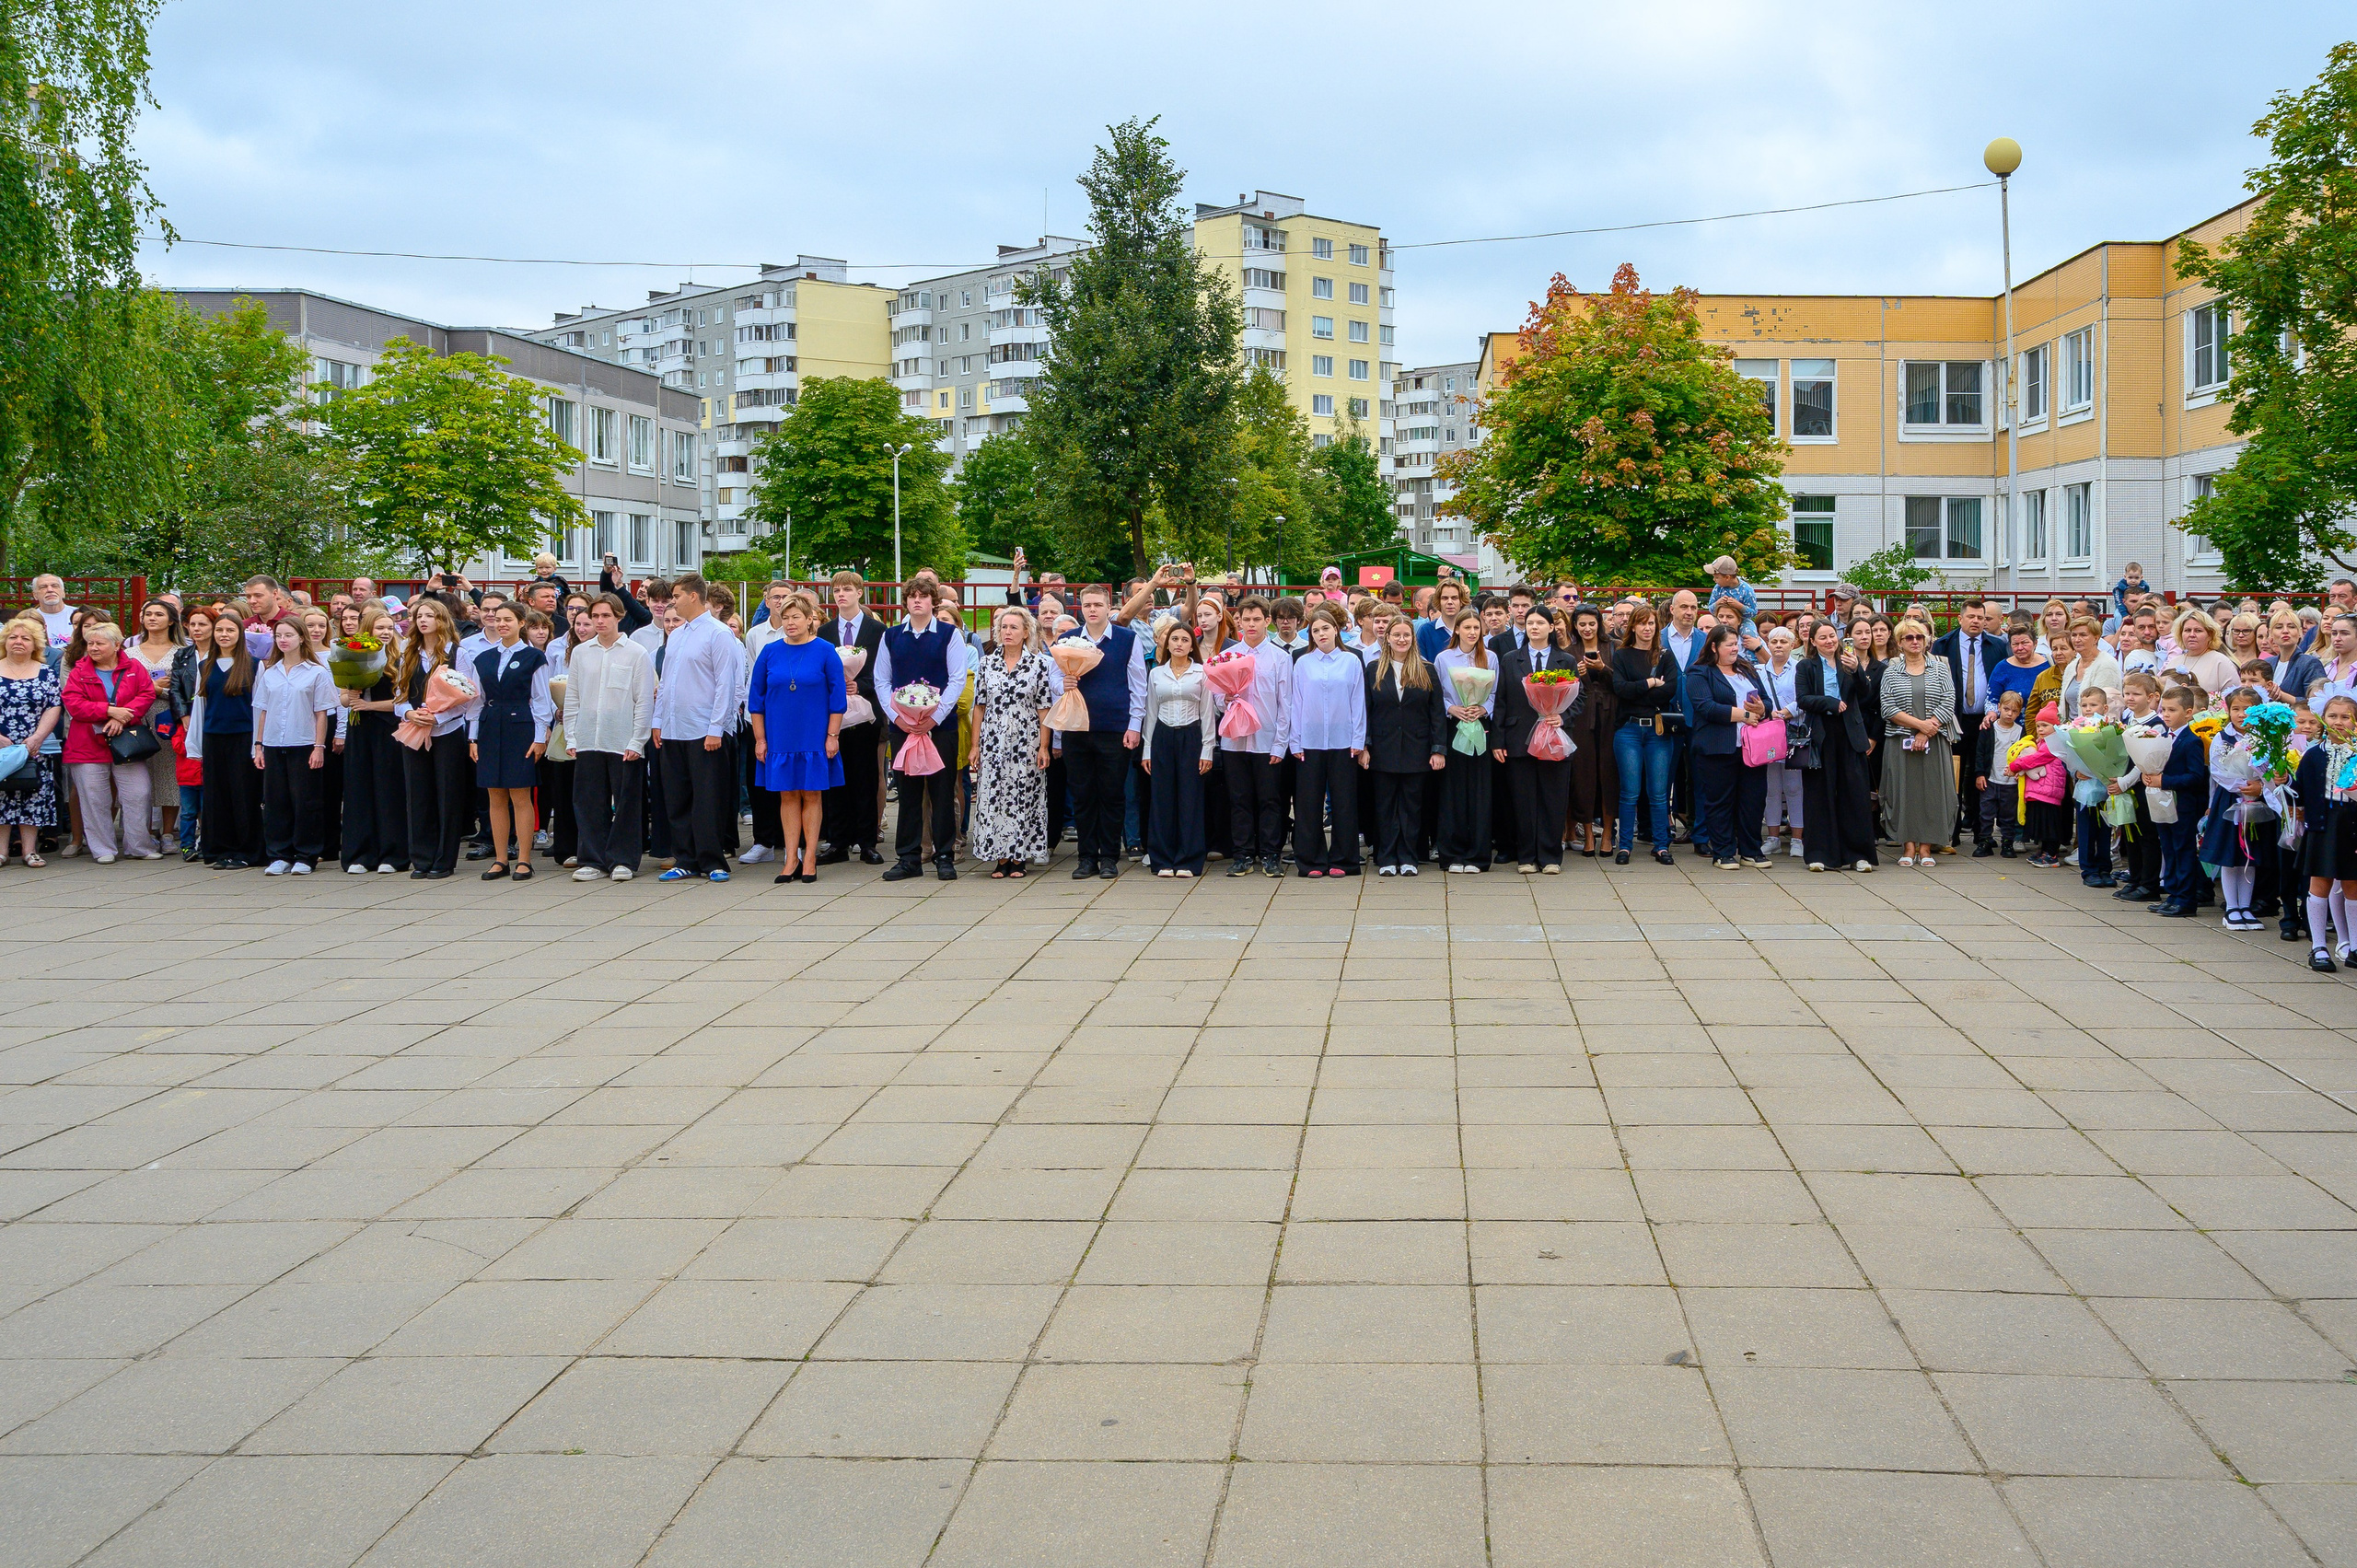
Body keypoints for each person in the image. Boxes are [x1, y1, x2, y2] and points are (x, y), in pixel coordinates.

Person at [874, 579, 970, 883]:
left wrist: (935, 717)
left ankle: (944, 856)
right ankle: (909, 857)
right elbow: (881, 681)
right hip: (904, 727)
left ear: (933, 602)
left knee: (942, 791)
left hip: (940, 727)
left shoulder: (948, 635)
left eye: (924, 596)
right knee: (908, 791)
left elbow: (956, 680)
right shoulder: (891, 637)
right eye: (912, 596)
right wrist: (897, 717)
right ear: (906, 602)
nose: (918, 601)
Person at [747, 590, 844, 886]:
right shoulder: (769, 652)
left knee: (812, 794)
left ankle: (810, 856)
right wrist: (760, 739)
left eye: (796, 617)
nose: (790, 622)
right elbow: (756, 700)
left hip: (815, 735)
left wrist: (832, 735)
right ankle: (791, 858)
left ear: (809, 620)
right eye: (785, 617)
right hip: (779, 737)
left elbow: (837, 698)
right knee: (787, 794)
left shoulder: (826, 650)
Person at [650, 575, 739, 884]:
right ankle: (685, 858)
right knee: (677, 798)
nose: (672, 602)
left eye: (676, 596)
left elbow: (726, 685)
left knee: (708, 798)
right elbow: (667, 683)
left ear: (693, 596)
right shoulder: (676, 635)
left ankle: (712, 860)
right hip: (675, 728)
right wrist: (658, 721)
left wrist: (717, 728)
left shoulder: (718, 634)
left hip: (704, 730)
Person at [563, 594, 655, 882]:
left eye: (606, 616)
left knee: (627, 800)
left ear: (618, 616)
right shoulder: (581, 653)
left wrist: (637, 740)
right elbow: (573, 696)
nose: (600, 622)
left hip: (622, 737)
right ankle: (592, 858)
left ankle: (623, 859)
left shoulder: (636, 652)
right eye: (595, 616)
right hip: (589, 736)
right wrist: (571, 736)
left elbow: (643, 700)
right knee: (588, 800)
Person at [1061, 583, 1146, 881]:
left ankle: (1109, 857)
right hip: (1077, 728)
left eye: (1098, 605)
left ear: (1108, 606)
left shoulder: (1126, 639)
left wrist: (1134, 726)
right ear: (1081, 608)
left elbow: (1138, 685)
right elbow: (1052, 685)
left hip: (1114, 729)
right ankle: (1086, 858)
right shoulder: (1067, 640)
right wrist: (1064, 684)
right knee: (1083, 795)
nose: (1093, 610)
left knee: (1112, 795)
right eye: (1087, 606)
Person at [59, 619, 159, 865]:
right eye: (90, 643)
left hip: (126, 741)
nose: (93, 648)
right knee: (94, 798)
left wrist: (123, 717)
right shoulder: (79, 671)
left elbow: (146, 693)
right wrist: (109, 711)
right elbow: (73, 704)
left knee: (138, 793)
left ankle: (139, 846)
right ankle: (102, 848)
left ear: (116, 645)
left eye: (99, 643)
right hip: (86, 744)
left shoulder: (134, 667)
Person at [392, 596, 477, 880]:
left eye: (430, 615)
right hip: (415, 731)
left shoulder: (458, 653)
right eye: (419, 616)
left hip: (447, 732)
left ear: (442, 620)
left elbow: (468, 697)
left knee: (447, 795)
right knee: (418, 795)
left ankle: (444, 859)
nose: (424, 620)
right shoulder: (409, 653)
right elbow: (399, 696)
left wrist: (438, 717)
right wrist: (409, 714)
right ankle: (422, 858)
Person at [467, 602, 552, 883]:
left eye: (508, 619)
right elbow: (477, 701)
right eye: (497, 619)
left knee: (520, 794)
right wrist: (473, 736)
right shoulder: (483, 658)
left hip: (521, 726)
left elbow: (541, 699)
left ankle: (525, 859)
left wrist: (540, 737)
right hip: (492, 725)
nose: (501, 623)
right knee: (495, 795)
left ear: (521, 623)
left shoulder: (533, 657)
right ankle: (500, 859)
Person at [1496, 604, 1583, 873]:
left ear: (1551, 627)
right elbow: (1501, 700)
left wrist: (1563, 717)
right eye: (1530, 623)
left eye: (1540, 623)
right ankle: (1526, 856)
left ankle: (1550, 857)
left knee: (1553, 797)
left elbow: (1580, 697)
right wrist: (1498, 740)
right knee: (1523, 799)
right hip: (1519, 737)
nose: (1534, 627)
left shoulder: (1565, 660)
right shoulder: (1511, 658)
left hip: (1554, 738)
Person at [970, 605, 1054, 879]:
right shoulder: (987, 663)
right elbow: (979, 706)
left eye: (1014, 627)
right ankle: (1000, 856)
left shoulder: (1038, 663)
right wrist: (975, 746)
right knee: (995, 797)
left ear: (1026, 632)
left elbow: (1044, 707)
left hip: (1026, 740)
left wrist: (1044, 746)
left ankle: (1018, 857)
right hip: (993, 740)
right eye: (1004, 627)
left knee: (1023, 795)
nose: (1007, 632)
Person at [250, 618, 336, 875]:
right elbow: (263, 710)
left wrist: (319, 746)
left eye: (289, 635)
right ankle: (279, 853)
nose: (283, 640)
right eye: (279, 636)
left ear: (301, 638)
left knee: (306, 801)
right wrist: (259, 745)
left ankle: (306, 854)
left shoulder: (316, 671)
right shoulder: (270, 672)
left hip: (304, 742)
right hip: (275, 743)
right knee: (276, 801)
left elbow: (322, 712)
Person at [1362, 616, 1447, 876]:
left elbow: (1436, 713)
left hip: (1417, 749)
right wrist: (1364, 747)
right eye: (1396, 635)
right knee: (1384, 805)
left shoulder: (1426, 669)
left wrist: (1438, 749)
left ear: (1413, 639)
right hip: (1383, 749)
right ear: (1387, 638)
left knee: (1412, 806)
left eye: (1406, 635)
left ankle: (1409, 856)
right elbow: (1365, 710)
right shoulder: (1374, 669)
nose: (1401, 639)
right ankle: (1386, 857)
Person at [1684, 624, 1773, 871]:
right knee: (1720, 802)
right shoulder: (1699, 672)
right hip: (1717, 748)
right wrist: (1744, 714)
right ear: (1714, 647)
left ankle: (1751, 851)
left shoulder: (1746, 668)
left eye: (1736, 644)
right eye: (1729, 644)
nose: (1735, 649)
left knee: (1753, 801)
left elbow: (1766, 700)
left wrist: (1761, 709)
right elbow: (1706, 707)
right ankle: (1723, 852)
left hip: (1751, 749)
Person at [1215, 595, 1292, 878]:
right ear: (1238, 622)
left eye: (1256, 619)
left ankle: (1271, 854)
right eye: (1245, 619)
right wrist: (1225, 698)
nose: (1251, 625)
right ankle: (1243, 854)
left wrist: (1280, 743)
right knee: (1239, 798)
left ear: (1267, 621)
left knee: (1270, 799)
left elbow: (1286, 704)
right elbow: (1216, 700)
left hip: (1267, 739)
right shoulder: (1228, 657)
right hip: (1235, 740)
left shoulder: (1280, 658)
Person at [1794, 620, 1877, 873]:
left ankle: (1859, 854)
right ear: (1813, 642)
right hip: (1821, 734)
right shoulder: (1806, 666)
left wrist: (1858, 672)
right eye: (1823, 637)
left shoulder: (1849, 663)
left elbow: (1867, 695)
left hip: (1849, 733)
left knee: (1855, 794)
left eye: (1832, 636)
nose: (1829, 641)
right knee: (1820, 794)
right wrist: (1829, 702)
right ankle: (1820, 853)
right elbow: (1803, 699)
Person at [1290, 610, 1365, 877]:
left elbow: (1358, 702)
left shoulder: (1351, 661)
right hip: (1309, 741)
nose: (1321, 634)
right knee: (1309, 802)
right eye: (1315, 631)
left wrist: (1358, 738)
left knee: (1344, 802)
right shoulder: (1302, 663)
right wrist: (1295, 740)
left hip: (1343, 740)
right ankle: (1311, 860)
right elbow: (1295, 703)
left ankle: (1344, 859)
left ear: (1336, 630)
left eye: (1325, 629)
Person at [817, 572, 885, 865]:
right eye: (836, 590)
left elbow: (884, 671)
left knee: (866, 777)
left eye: (847, 589)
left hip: (866, 716)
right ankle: (838, 842)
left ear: (860, 592)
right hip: (834, 717)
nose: (840, 594)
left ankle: (867, 841)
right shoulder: (825, 632)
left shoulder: (876, 630)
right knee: (836, 780)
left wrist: (863, 685)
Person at [1141, 618, 1216, 877]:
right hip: (1162, 736)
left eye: (1185, 639)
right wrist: (1147, 750)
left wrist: (1208, 749)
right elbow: (1150, 712)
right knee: (1162, 799)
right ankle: (1162, 859)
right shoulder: (1156, 673)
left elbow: (1207, 713)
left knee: (1190, 798)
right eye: (1175, 639)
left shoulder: (1201, 672)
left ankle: (1188, 858)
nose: (1180, 644)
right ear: (1167, 643)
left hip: (1191, 736)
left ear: (1191, 644)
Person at [1881, 619, 1958, 868]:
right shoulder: (1891, 671)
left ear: (1927, 641)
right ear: (1900, 643)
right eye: (1909, 638)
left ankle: (1926, 847)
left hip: (1935, 742)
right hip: (1900, 740)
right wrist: (1918, 727)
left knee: (1933, 793)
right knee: (1904, 792)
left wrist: (1927, 730)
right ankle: (1908, 846)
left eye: (1920, 638)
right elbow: (1887, 707)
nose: (1915, 642)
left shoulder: (1940, 669)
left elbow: (1949, 700)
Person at [336, 603, 407, 875]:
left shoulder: (401, 658)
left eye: (390, 628)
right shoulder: (352, 655)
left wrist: (369, 706)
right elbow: (343, 698)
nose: (386, 632)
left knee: (388, 790)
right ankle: (359, 854)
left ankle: (393, 853)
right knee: (359, 790)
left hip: (388, 728)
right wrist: (352, 696)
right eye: (380, 628)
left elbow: (402, 701)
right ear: (368, 630)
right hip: (360, 729)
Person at [1608, 600, 1677, 866]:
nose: (1647, 628)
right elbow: (1620, 689)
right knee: (1630, 792)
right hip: (1629, 731)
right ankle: (1624, 846)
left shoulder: (1665, 655)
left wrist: (1640, 691)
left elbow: (1669, 690)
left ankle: (1661, 845)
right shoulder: (1622, 655)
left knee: (1659, 793)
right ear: (1632, 626)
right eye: (1642, 623)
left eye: (1651, 623)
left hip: (1658, 730)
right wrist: (1649, 682)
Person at [1933, 603, 2003, 854]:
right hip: (1953, 717)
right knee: (1952, 773)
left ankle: (1981, 831)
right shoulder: (1943, 645)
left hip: (1985, 720)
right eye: (1971, 617)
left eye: (1980, 617)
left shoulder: (1996, 646)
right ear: (1960, 618)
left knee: (1980, 772)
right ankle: (1949, 833)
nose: (1976, 621)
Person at [1434, 607, 1498, 873]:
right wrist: (1453, 708)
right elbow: (1438, 694)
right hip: (1454, 726)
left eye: (1476, 627)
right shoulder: (1444, 658)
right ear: (1457, 629)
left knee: (1479, 792)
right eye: (1467, 627)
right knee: (1453, 792)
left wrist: (1483, 709)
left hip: (1480, 726)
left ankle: (1478, 854)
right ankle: (1452, 853)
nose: (1472, 632)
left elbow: (1496, 692)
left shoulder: (1490, 657)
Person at [2294, 694, 2357, 968]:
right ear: (2323, 719)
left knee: (2353, 884)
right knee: (2320, 883)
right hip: (2324, 823)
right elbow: (2300, 793)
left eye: (2346, 717)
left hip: (2353, 824)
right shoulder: (2314, 755)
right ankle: (2319, 947)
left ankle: (2354, 946)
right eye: (2333, 716)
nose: (2339, 722)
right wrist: (2283, 782)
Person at [2143, 685, 2212, 918]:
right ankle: (2172, 894)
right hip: (2165, 803)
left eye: (2172, 710)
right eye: (2164, 709)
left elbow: (2196, 776)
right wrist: (2148, 774)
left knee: (2183, 850)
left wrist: (2164, 780)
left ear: (2189, 712)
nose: (2166, 714)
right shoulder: (2163, 736)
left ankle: (2186, 899)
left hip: (2184, 804)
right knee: (2169, 848)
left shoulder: (2192, 740)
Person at [0, 616, 62, 865]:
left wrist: (37, 737)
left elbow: (54, 706)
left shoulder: (45, 672)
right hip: (1, 744)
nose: (18, 642)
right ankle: (1, 851)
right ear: (4, 641)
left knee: (33, 795)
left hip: (34, 745)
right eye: (13, 637)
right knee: (1, 796)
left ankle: (29, 851)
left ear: (35, 644)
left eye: (25, 638)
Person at [1562, 604, 1617, 858]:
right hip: (1581, 718)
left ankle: (1607, 832)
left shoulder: (1613, 647)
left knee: (1608, 773)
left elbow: (1622, 683)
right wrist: (1577, 674)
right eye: (1581, 624)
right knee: (1583, 774)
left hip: (1609, 715)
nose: (1587, 629)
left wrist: (1602, 669)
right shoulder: (1569, 652)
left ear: (1599, 624)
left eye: (1591, 624)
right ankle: (1587, 832)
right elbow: (1563, 690)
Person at [1753, 624, 1805, 859]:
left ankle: (1797, 838)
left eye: (1784, 642)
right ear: (1768, 645)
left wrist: (1784, 712)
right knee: (1770, 788)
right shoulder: (1758, 671)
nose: (1778, 646)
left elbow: (1803, 698)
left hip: (1794, 732)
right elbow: (1753, 697)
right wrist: (1767, 712)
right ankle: (1772, 837)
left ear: (1792, 645)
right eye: (1774, 642)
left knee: (1794, 788)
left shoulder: (1799, 669)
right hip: (1768, 734)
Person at [2006, 704, 2072, 866]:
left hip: (2049, 791)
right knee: (2042, 822)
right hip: (2040, 790)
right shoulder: (2042, 742)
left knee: (2050, 823)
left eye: (2045, 725)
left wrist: (2015, 766)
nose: (2040, 729)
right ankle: (2044, 851)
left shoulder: (2053, 744)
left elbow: (2035, 760)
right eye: (2038, 726)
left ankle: (2052, 854)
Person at [2162, 609, 2238, 699]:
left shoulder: (2220, 661)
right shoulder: (2174, 662)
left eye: (2198, 630)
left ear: (2210, 635)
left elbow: (2233, 697)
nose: (2192, 635)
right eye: (2187, 630)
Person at [29, 575, 75, 650]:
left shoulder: (79, 615)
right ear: (35, 595)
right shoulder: (30, 619)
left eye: (55, 586)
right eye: (43, 587)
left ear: (63, 592)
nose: (50, 590)